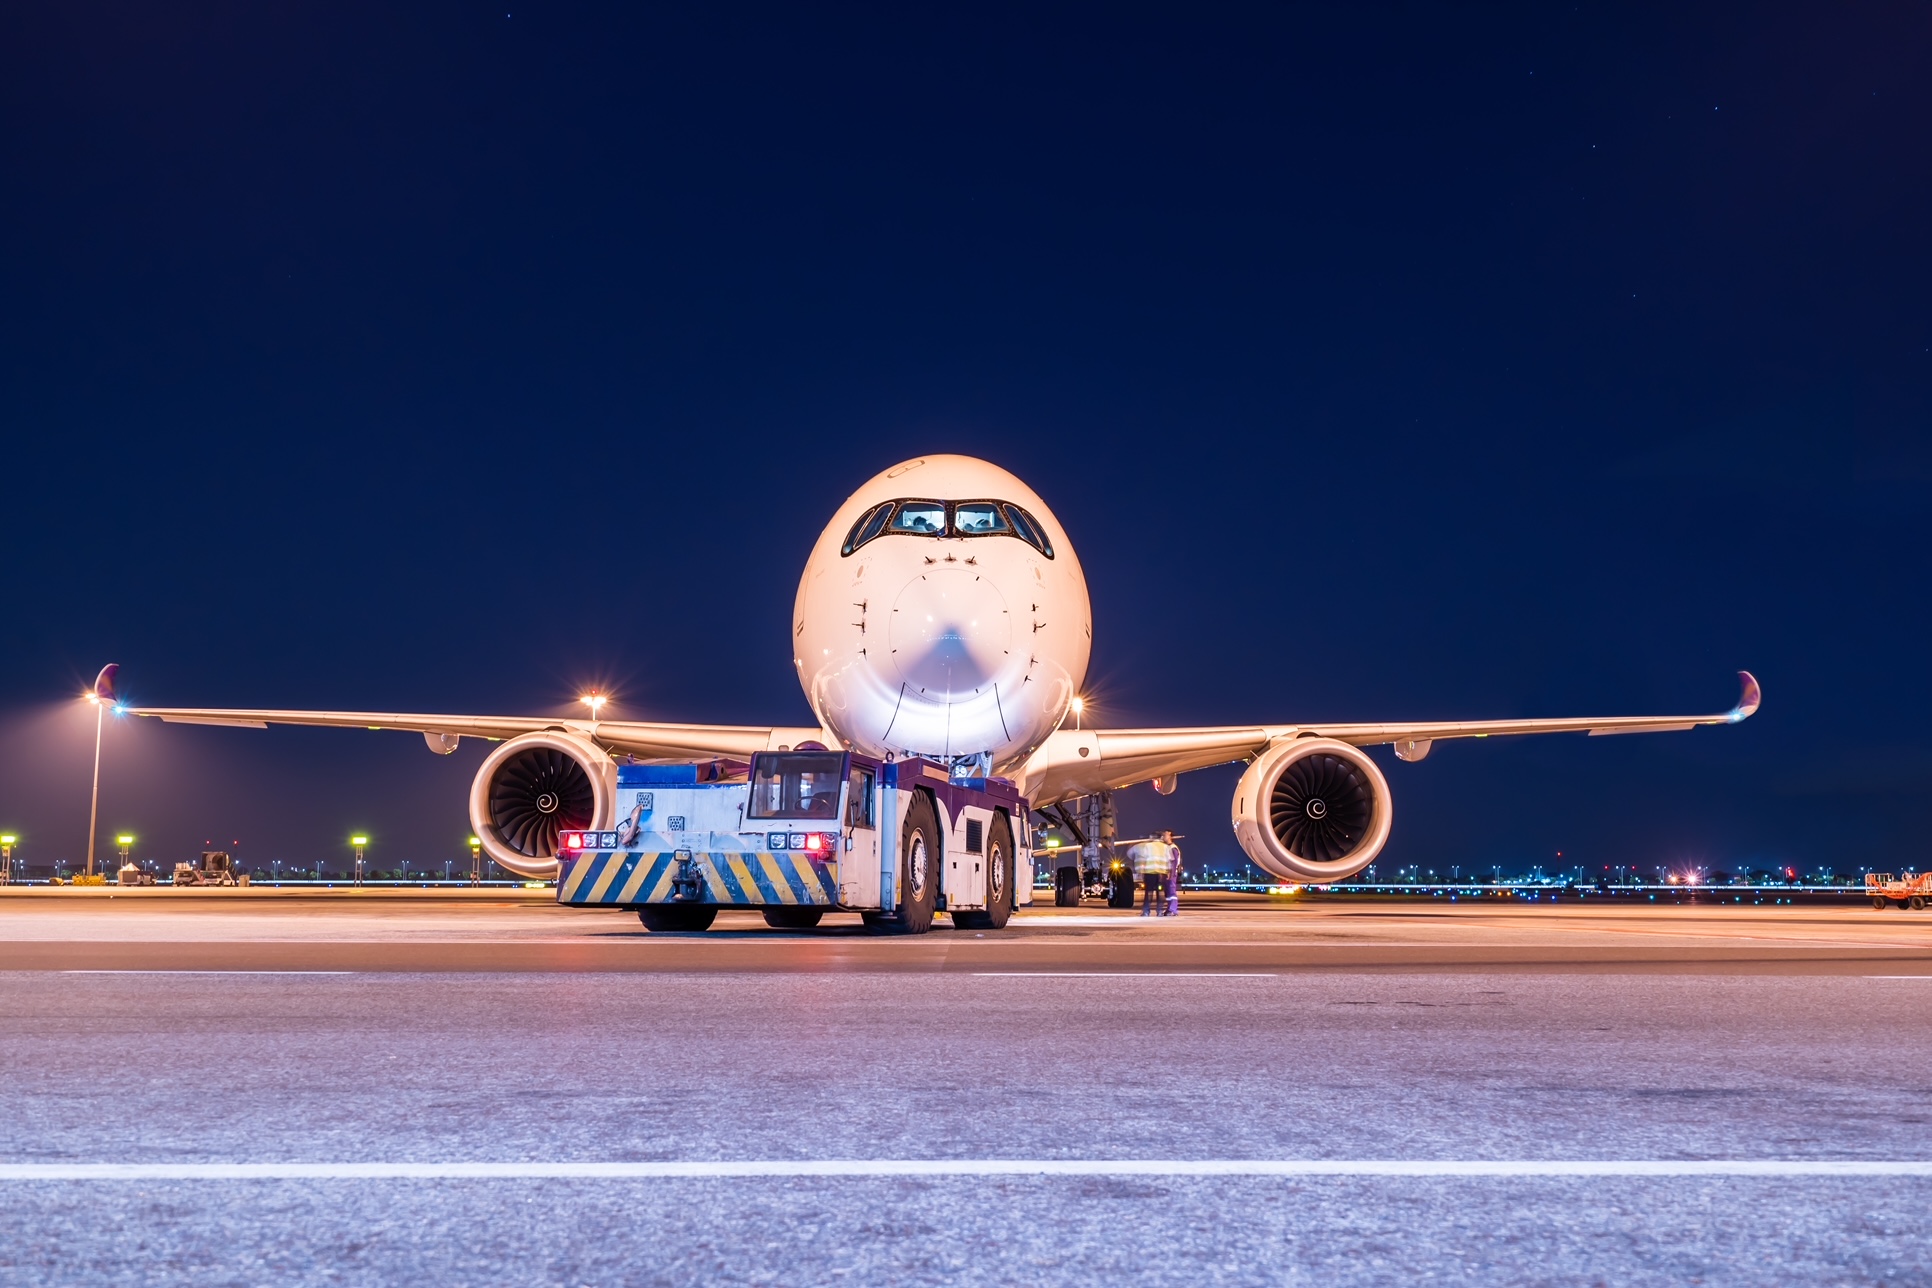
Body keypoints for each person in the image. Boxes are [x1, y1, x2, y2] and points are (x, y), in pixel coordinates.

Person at [1130, 836, 1172, 916]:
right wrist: (1168, 871)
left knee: (1148, 892)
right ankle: (1159, 911)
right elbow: (1169, 860)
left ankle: (1146, 911)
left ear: (1152, 838)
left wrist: (1141, 870)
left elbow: (1143, 858)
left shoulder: (1148, 846)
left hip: (1150, 873)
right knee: (1160, 893)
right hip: (1161, 873)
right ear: (1161, 837)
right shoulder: (1166, 847)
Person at [1161, 831, 1182, 916]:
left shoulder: (1173, 848)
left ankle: (1173, 909)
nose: (1163, 836)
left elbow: (1174, 861)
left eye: (1165, 835)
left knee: (1171, 891)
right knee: (1168, 892)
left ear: (1170, 836)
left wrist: (1172, 873)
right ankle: (1169, 908)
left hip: (1170, 872)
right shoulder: (1167, 847)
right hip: (1166, 872)